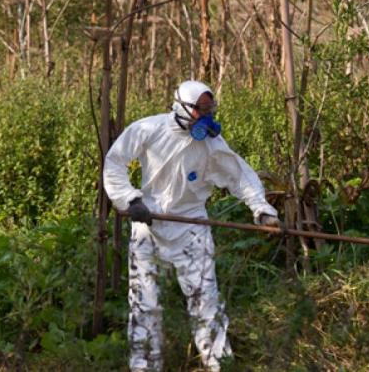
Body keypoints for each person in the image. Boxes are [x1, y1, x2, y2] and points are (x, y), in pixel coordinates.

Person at [104, 80, 280, 372]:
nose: (207, 117)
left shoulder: (211, 144)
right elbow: (115, 161)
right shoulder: (148, 129)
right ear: (183, 108)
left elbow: (240, 176)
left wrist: (262, 210)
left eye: (210, 110)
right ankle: (145, 367)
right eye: (201, 110)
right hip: (149, 225)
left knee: (206, 304)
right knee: (145, 305)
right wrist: (130, 200)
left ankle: (220, 365)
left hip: (192, 227)